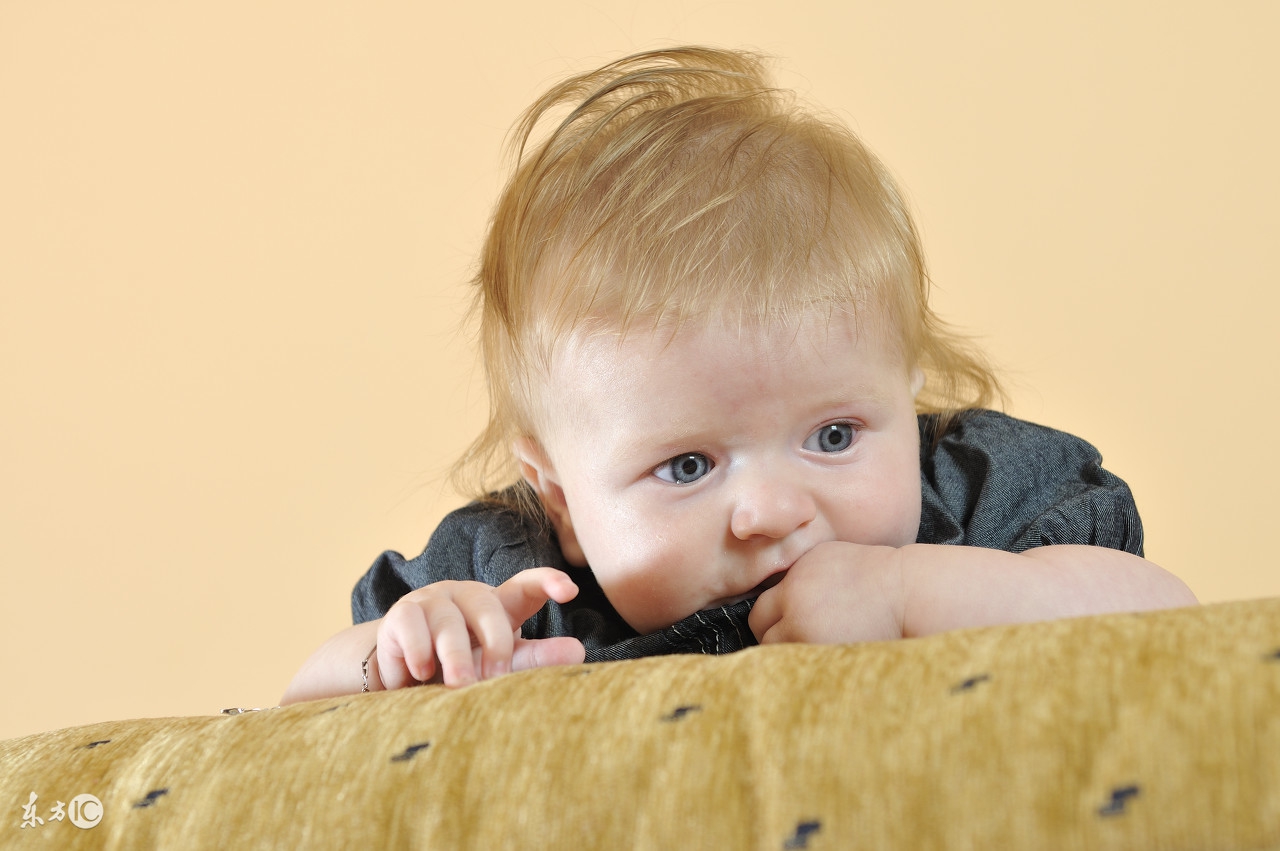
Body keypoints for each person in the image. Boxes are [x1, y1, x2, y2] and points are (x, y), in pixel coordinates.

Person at [282, 46, 1195, 705]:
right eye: (688, 465)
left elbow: (1167, 615)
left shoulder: (971, 499)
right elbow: (296, 714)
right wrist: (401, 653)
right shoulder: (516, 590)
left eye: (834, 436)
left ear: (902, 394)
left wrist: (915, 593)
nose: (771, 511)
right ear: (558, 497)